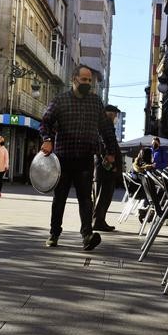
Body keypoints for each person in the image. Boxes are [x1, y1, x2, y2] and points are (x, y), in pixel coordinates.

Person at [40, 65, 120, 250]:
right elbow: (45, 122)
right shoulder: (60, 101)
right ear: (74, 79)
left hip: (85, 158)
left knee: (86, 199)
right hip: (63, 158)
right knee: (59, 197)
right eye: (84, 80)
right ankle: (54, 234)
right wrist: (47, 139)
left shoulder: (95, 102)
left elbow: (105, 128)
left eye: (90, 80)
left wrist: (109, 152)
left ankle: (87, 235)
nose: (88, 83)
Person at [93, 104, 121, 232]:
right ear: (109, 114)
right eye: (115, 115)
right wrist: (112, 165)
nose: (116, 117)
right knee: (104, 195)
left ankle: (99, 220)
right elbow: (106, 144)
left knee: (102, 195)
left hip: (102, 167)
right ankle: (98, 221)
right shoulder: (106, 125)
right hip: (106, 169)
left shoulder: (101, 124)